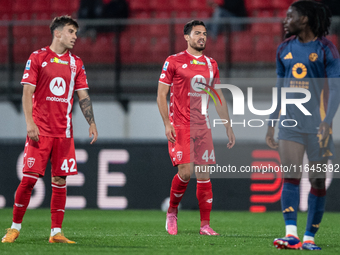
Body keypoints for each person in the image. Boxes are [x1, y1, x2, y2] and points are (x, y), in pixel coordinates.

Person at [2, 15, 98, 244]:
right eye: (71, 31)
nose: (75, 36)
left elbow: (83, 95)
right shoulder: (38, 57)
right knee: (29, 180)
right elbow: (27, 92)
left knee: (60, 180)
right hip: (40, 130)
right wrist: (30, 123)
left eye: (76, 32)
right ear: (57, 33)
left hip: (64, 132)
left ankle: (56, 232)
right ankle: (14, 228)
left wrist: (91, 122)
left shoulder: (77, 63)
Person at [266, 1, 340, 250]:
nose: (285, 20)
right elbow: (279, 89)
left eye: (290, 16)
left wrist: (328, 122)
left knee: (317, 180)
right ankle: (292, 235)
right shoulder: (283, 49)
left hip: (318, 124)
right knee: (290, 176)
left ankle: (310, 237)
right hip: (290, 124)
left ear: (305, 19)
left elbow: (336, 89)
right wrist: (270, 122)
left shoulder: (326, 49)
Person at [157, 20, 235, 236]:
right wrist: (166, 123)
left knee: (204, 174)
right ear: (186, 37)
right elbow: (161, 94)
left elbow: (217, 97)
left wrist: (228, 126)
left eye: (204, 34)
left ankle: (205, 225)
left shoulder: (211, 64)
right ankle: (172, 212)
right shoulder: (173, 61)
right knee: (185, 172)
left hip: (203, 126)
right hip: (180, 125)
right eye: (197, 33)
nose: (202, 37)